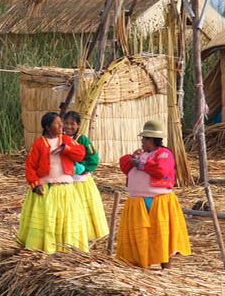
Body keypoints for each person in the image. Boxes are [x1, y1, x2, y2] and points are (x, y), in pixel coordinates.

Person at [116, 119, 191, 269]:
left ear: (154, 140)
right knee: (141, 234)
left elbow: (161, 171)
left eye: (146, 139)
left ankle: (166, 268)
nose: (143, 141)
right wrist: (133, 158)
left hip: (159, 200)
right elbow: (124, 166)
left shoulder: (164, 154)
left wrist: (142, 165)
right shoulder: (141, 154)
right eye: (143, 138)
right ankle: (143, 263)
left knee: (161, 233)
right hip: (138, 201)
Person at [18, 111, 88, 253]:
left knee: (66, 220)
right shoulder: (39, 144)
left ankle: (67, 249)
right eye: (57, 123)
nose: (62, 125)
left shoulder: (66, 140)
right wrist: (35, 184)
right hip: (46, 189)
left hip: (65, 189)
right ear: (48, 127)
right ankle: (45, 248)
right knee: (47, 221)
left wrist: (66, 149)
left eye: (60, 122)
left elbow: (81, 153)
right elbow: (30, 166)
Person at [62, 111, 109, 242]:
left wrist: (84, 169)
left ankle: (85, 234)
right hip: (65, 180)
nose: (69, 126)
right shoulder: (59, 138)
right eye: (66, 123)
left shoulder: (82, 140)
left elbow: (93, 157)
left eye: (72, 124)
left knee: (82, 208)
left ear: (78, 125)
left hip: (80, 181)